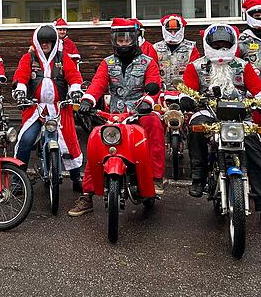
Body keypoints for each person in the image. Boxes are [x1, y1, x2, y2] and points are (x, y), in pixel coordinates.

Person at [182, 24, 261, 230]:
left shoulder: (243, 66)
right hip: (208, 112)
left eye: (225, 45)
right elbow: (187, 88)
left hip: (240, 116)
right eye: (217, 44)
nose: (221, 49)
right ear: (208, 45)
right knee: (196, 127)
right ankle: (199, 175)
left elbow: (258, 89)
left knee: (255, 149)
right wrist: (186, 98)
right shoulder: (195, 66)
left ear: (232, 45)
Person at [69, 18, 166, 216]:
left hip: (139, 112)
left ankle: (155, 178)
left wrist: (148, 102)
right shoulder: (107, 63)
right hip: (113, 115)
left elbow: (154, 84)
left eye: (127, 39)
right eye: (119, 39)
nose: (123, 43)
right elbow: (97, 83)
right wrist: (88, 100)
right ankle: (87, 195)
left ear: (135, 38)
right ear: (114, 40)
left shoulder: (148, 63)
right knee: (95, 143)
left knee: (154, 123)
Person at [11, 24, 84, 192]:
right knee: (26, 140)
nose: (45, 45)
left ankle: (75, 177)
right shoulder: (28, 58)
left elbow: (74, 77)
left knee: (69, 141)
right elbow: (21, 77)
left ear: (53, 42)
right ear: (37, 42)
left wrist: (75, 91)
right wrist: (20, 91)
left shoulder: (63, 58)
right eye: (42, 42)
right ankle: (17, 180)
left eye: (48, 42)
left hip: (59, 108)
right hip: (36, 109)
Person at [153, 14, 200, 92]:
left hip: (184, 92)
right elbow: (152, 72)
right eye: (170, 31)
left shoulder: (191, 48)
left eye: (175, 31)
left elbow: (195, 72)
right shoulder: (155, 48)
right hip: (161, 92)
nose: (173, 34)